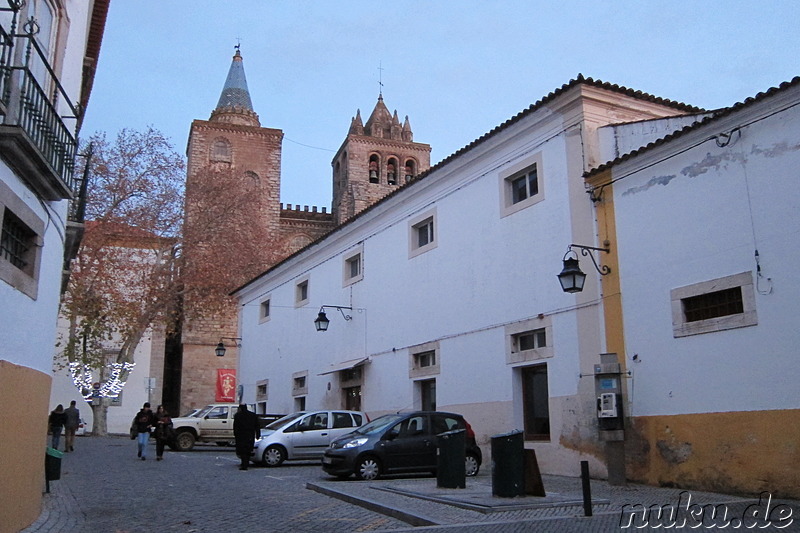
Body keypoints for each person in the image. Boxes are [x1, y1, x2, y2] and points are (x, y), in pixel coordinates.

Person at [233, 404, 259, 470]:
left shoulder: (237, 415)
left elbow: (235, 426)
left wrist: (235, 435)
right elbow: (257, 426)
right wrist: (258, 434)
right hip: (250, 435)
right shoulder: (253, 415)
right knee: (248, 450)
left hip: (241, 436)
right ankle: (246, 463)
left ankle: (244, 464)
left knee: (242, 451)